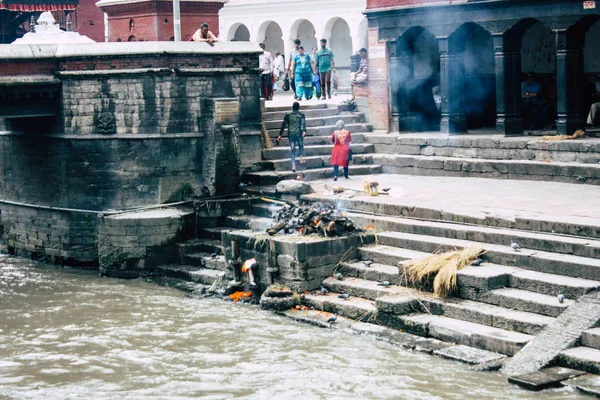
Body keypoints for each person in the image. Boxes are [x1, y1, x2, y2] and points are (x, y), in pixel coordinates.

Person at [277, 102, 306, 172]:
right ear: (298, 107)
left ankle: (293, 165)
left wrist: (280, 135)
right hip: (298, 133)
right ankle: (301, 158)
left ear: (292, 107)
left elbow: (283, 125)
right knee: (301, 145)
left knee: (292, 149)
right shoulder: (301, 115)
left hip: (291, 134)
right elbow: (303, 123)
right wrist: (304, 131)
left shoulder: (288, 115)